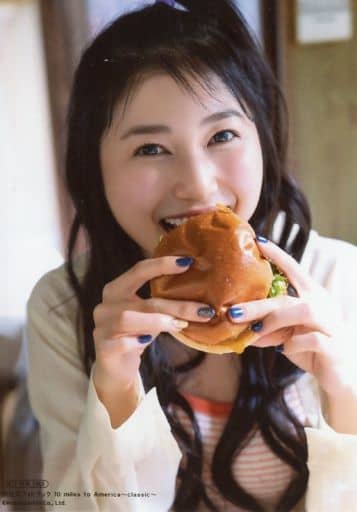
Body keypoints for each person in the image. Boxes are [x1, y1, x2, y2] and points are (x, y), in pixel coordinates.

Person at [26, 1, 357, 511]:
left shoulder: (338, 278)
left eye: (222, 136)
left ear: (262, 140)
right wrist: (114, 391)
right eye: (150, 149)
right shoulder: (63, 307)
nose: (199, 186)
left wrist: (344, 392)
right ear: (96, 170)